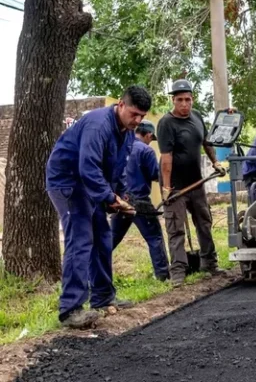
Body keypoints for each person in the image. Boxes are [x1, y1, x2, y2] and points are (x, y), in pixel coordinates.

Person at [46, 86, 152, 328]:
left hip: (89, 184)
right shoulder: (98, 125)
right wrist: (109, 197)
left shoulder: (126, 132)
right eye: (134, 114)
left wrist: (120, 194)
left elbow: (119, 167)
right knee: (81, 239)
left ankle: (103, 297)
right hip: (68, 182)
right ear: (121, 105)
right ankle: (70, 309)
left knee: (103, 236)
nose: (137, 120)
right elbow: (88, 168)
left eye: (142, 117)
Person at [157, 79, 226, 287]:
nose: (184, 104)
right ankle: (178, 272)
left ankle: (209, 263)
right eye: (180, 100)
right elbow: (166, 159)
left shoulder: (196, 117)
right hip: (175, 186)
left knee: (204, 222)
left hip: (196, 183)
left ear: (192, 99)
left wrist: (215, 162)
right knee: (175, 229)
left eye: (187, 99)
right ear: (173, 100)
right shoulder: (166, 123)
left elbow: (206, 142)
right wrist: (167, 188)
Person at [110, 120, 170, 281]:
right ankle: (163, 275)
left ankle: (91, 274)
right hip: (140, 201)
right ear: (148, 134)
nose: (151, 141)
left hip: (120, 200)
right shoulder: (146, 150)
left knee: (110, 240)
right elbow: (155, 175)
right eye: (151, 138)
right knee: (154, 238)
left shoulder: (120, 147)